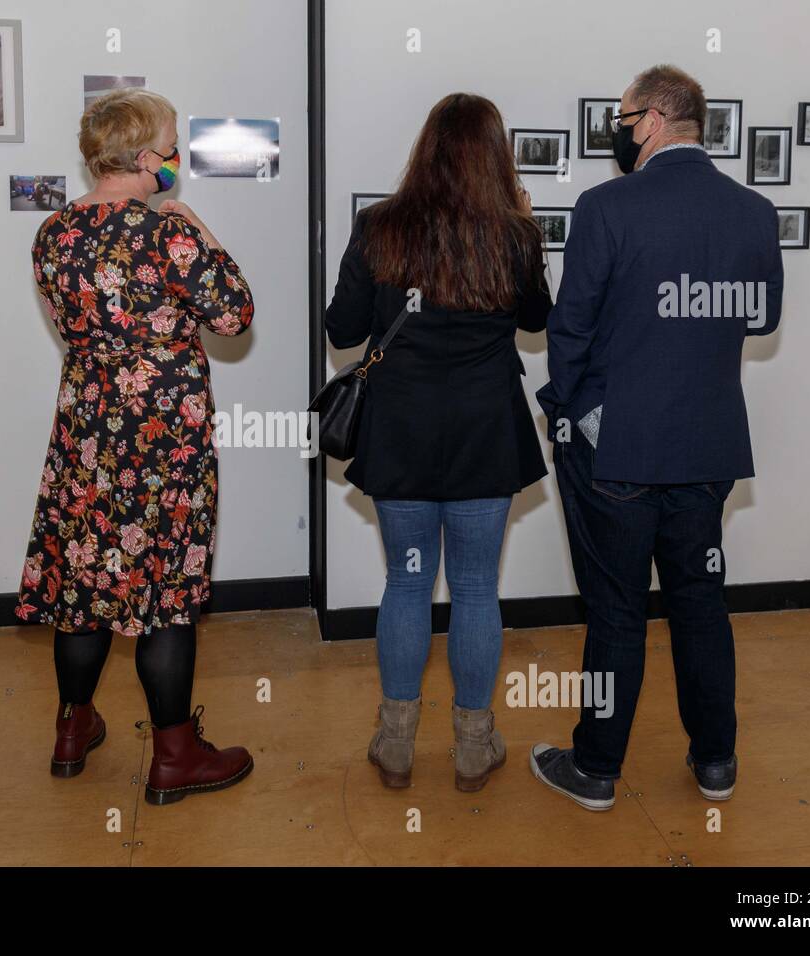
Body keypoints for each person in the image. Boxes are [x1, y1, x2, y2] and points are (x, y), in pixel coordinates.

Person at [531, 65, 783, 811]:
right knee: (700, 601)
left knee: (616, 611)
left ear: (652, 120)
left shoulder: (607, 206)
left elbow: (569, 327)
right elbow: (761, 317)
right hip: (706, 450)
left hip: (618, 450)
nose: (618, 130)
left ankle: (597, 770)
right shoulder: (753, 210)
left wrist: (569, 410)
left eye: (623, 117)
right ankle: (716, 764)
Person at [15, 88, 256, 805]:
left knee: (84, 584)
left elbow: (74, 324)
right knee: (165, 593)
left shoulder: (54, 233)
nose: (177, 154)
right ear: (148, 155)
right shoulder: (165, 233)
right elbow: (235, 315)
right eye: (172, 141)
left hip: (88, 427)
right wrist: (199, 228)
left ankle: (71, 728)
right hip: (163, 435)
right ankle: (176, 757)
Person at [324, 93, 552, 792]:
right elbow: (539, 322)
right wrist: (520, 217)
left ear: (426, 147)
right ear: (496, 153)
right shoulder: (514, 234)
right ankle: (473, 746)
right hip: (485, 429)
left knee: (407, 583)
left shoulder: (379, 227)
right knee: (478, 587)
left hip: (402, 431)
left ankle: (396, 743)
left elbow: (342, 332)